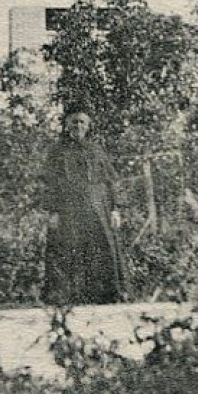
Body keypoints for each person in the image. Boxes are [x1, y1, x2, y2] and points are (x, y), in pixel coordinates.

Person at [41, 110, 127, 305]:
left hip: (98, 208)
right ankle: (69, 295)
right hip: (69, 209)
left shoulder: (96, 150)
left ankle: (106, 294)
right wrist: (52, 211)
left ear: (88, 127)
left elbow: (111, 181)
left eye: (82, 123)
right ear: (67, 126)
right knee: (67, 249)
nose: (77, 126)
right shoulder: (58, 152)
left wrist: (115, 209)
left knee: (102, 248)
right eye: (73, 123)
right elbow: (51, 183)